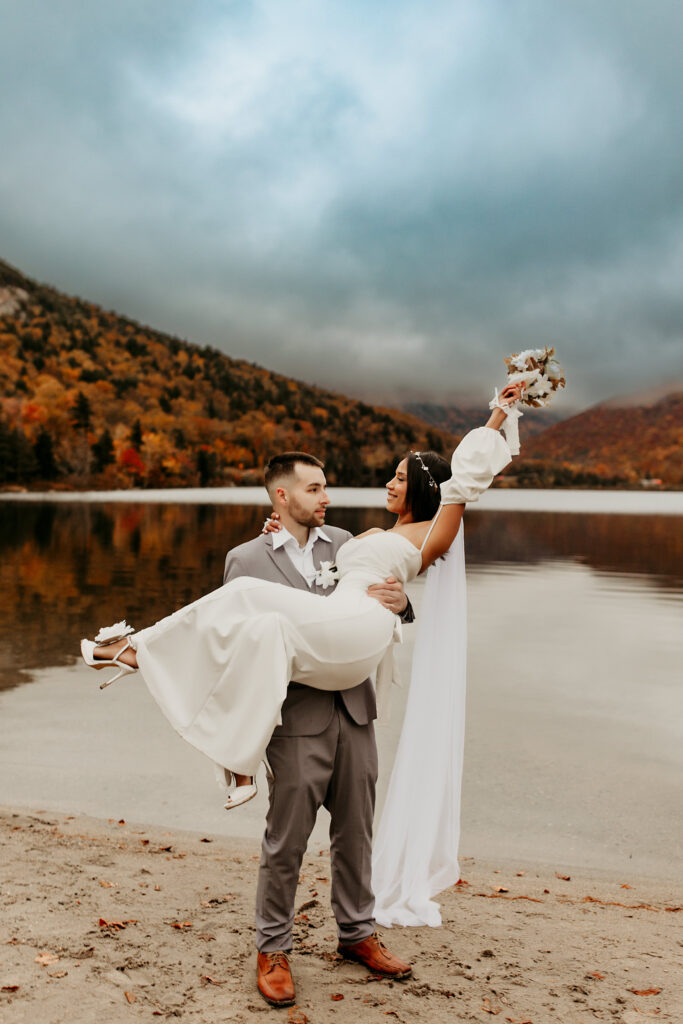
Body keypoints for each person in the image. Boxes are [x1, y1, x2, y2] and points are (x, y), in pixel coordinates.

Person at [80, 383, 521, 1002]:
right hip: (296, 718)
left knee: (355, 832)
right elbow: (232, 646)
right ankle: (273, 949)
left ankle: (357, 934)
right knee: (285, 837)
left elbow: (413, 558)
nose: (329, 497)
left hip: (354, 702)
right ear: (282, 497)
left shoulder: (347, 541)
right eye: (315, 489)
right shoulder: (246, 558)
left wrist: (405, 605)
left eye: (327, 488)